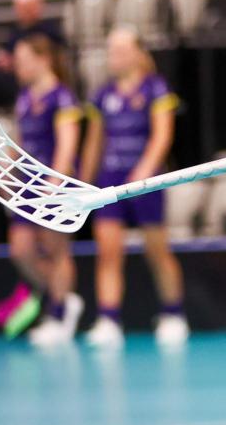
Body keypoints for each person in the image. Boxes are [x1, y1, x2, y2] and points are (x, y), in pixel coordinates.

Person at [79, 28, 187, 348]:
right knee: (108, 252)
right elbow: (94, 143)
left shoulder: (156, 88)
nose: (114, 57)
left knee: (157, 250)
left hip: (146, 182)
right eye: (111, 50)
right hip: (109, 180)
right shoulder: (103, 94)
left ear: (138, 53)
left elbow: (163, 136)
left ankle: (173, 314)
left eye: (121, 50)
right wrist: (82, 184)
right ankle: (109, 319)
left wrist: (144, 172)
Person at [8, 35, 83, 346]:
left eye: (24, 61)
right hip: (27, 183)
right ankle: (61, 297)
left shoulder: (62, 97)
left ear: (44, 60)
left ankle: (60, 312)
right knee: (21, 249)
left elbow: (67, 144)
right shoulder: (24, 98)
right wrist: (9, 176)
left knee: (56, 249)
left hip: (54, 183)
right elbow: (19, 143)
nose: (18, 67)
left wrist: (55, 183)